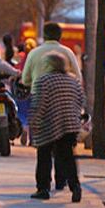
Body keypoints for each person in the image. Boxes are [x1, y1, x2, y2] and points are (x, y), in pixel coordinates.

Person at [22, 22, 82, 189]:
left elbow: (25, 80)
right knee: (64, 149)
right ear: (60, 36)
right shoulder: (68, 53)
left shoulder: (34, 54)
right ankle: (63, 181)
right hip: (65, 106)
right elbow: (78, 77)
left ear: (45, 35)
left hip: (42, 104)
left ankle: (44, 186)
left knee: (44, 148)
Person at [29, 52, 84, 202]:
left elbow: (39, 105)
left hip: (49, 125)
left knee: (44, 155)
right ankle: (75, 186)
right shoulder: (74, 81)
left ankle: (43, 188)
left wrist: (33, 123)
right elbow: (81, 101)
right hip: (70, 124)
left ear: (49, 65)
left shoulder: (44, 81)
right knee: (67, 156)